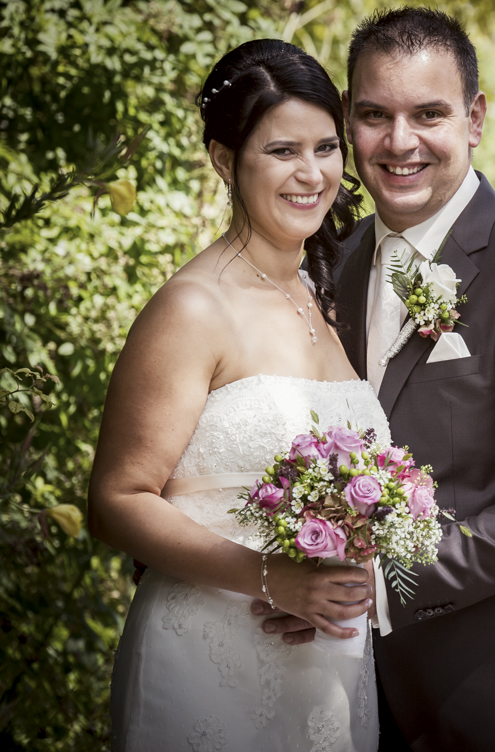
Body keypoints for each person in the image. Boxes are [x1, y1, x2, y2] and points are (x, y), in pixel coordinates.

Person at [256, 7, 495, 751]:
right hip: (347, 690)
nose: (399, 142)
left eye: (429, 114)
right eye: (374, 115)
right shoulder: (337, 259)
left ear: (475, 118)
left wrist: (379, 586)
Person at [88, 39, 383, 750]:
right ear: (225, 160)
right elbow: (115, 501)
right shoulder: (192, 309)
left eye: (325, 147)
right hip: (205, 660)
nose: (311, 174)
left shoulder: (322, 296)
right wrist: (269, 578)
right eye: (282, 150)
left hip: (327, 668)